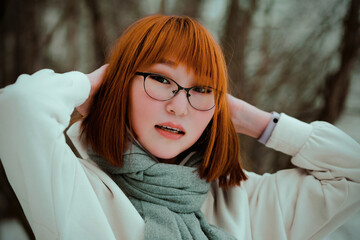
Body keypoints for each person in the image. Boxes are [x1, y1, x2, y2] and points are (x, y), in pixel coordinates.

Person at [0, 14, 359, 240]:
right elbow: (17, 105)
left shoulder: (246, 200)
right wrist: (96, 83)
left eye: (201, 89)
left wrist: (251, 119)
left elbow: (352, 170)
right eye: (159, 79)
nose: (178, 105)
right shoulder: (75, 186)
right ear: (121, 84)